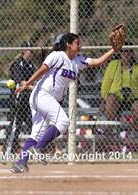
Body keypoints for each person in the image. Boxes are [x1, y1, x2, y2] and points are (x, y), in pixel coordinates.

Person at [10, 32, 119, 173]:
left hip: (48, 99)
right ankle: (39, 148)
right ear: (68, 44)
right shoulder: (57, 56)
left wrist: (114, 50)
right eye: (77, 43)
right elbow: (42, 70)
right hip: (43, 94)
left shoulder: (77, 60)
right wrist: (27, 84)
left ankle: (20, 163)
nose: (80, 45)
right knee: (63, 122)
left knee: (36, 133)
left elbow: (98, 61)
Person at [6, 40, 35, 154]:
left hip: (29, 100)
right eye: (29, 50)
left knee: (33, 125)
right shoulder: (17, 64)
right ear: (23, 51)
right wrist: (33, 87)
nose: (32, 52)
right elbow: (22, 81)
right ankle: (8, 151)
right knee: (15, 126)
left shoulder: (31, 65)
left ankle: (36, 151)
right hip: (18, 100)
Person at [101, 45, 138, 121]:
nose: (126, 54)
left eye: (128, 52)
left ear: (132, 54)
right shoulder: (113, 64)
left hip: (133, 98)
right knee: (111, 100)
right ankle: (109, 129)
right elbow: (106, 83)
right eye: (123, 51)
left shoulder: (136, 67)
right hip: (117, 96)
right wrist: (104, 100)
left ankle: (134, 128)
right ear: (120, 53)